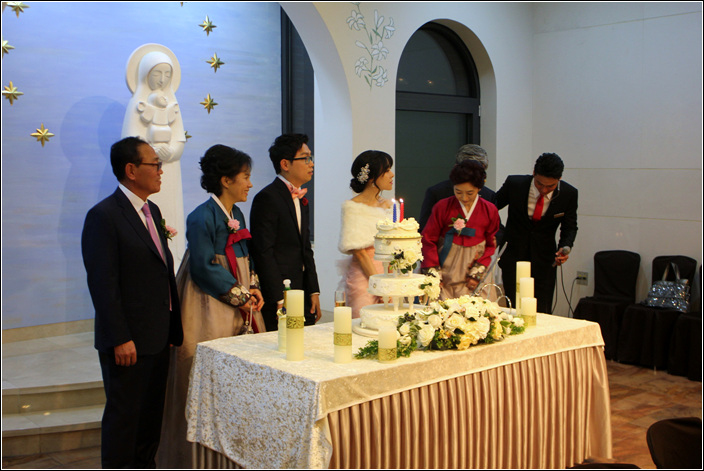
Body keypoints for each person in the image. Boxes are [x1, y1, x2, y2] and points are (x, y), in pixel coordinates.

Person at [156, 145, 265, 468]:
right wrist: (240, 296)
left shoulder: (237, 214)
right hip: (206, 300)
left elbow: (246, 256)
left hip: (238, 291)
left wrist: (254, 286)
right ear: (226, 180)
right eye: (245, 177)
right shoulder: (201, 216)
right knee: (201, 370)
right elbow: (203, 268)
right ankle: (195, 456)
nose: (250, 184)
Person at [81, 136, 183, 468]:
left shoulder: (152, 210)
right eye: (155, 164)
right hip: (128, 341)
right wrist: (120, 337)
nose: (161, 170)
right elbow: (103, 285)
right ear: (131, 170)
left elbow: (159, 271)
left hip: (157, 336)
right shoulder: (104, 216)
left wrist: (171, 326)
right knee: (125, 420)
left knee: (150, 419)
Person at [123, 44, 188, 265]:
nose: (162, 79)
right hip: (146, 169)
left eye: (166, 74)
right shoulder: (137, 104)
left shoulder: (173, 105)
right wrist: (152, 152)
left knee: (171, 213)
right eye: (157, 73)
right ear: (145, 74)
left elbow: (179, 138)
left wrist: (171, 151)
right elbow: (130, 142)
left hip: (169, 169)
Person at [250, 133, 321, 331]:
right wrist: (279, 297)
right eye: (305, 158)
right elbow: (263, 252)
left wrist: (314, 291)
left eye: (310, 158)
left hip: (302, 291)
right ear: (285, 164)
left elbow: (305, 248)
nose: (311, 163)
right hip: (280, 294)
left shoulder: (301, 199)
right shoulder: (267, 198)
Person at [496, 152, 578, 314]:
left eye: (550, 186)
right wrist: (500, 234)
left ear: (559, 179)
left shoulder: (568, 193)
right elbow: (490, 209)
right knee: (514, 309)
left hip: (545, 260)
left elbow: (570, 226)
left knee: (542, 311)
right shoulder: (515, 184)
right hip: (513, 256)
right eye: (539, 184)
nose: (544, 190)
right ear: (534, 173)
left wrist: (565, 247)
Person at [421, 160, 500, 300]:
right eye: (458, 192)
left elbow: (490, 244)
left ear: (479, 188)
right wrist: (434, 272)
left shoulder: (489, 210)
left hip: (474, 267)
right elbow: (428, 239)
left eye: (470, 193)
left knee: (477, 308)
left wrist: (478, 272)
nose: (464, 198)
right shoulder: (442, 207)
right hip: (446, 269)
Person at [338, 150, 394, 317]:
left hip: (389, 272)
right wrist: (379, 286)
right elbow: (360, 252)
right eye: (386, 170)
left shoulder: (389, 205)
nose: (392, 175)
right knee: (364, 319)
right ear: (371, 177)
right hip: (364, 275)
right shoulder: (353, 207)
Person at [418, 144, 497, 232]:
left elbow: (497, 228)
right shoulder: (437, 193)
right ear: (457, 168)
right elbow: (425, 228)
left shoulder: (489, 195)